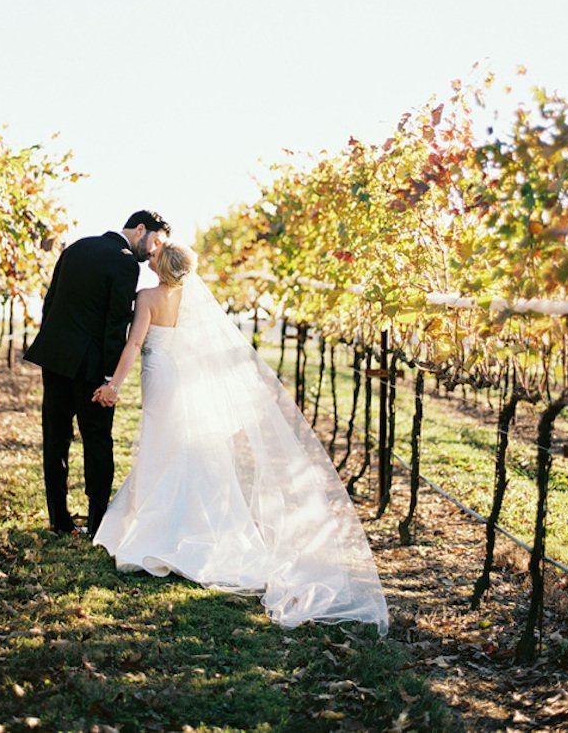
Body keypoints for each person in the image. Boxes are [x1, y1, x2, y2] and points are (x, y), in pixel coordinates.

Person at [91, 242, 389, 633]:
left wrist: (114, 384)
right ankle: (187, 521)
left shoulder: (146, 297)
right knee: (180, 446)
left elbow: (134, 343)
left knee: (160, 446)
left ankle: (158, 527)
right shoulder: (193, 302)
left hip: (158, 375)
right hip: (181, 378)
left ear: (159, 266)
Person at [24, 210, 171, 537]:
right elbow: (115, 325)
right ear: (141, 229)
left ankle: (59, 521)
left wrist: (53, 350)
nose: (153, 251)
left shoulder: (75, 247)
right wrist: (110, 378)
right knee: (98, 442)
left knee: (55, 439)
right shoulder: (124, 263)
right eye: (155, 241)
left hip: (56, 360)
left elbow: (51, 304)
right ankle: (97, 523)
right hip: (91, 370)